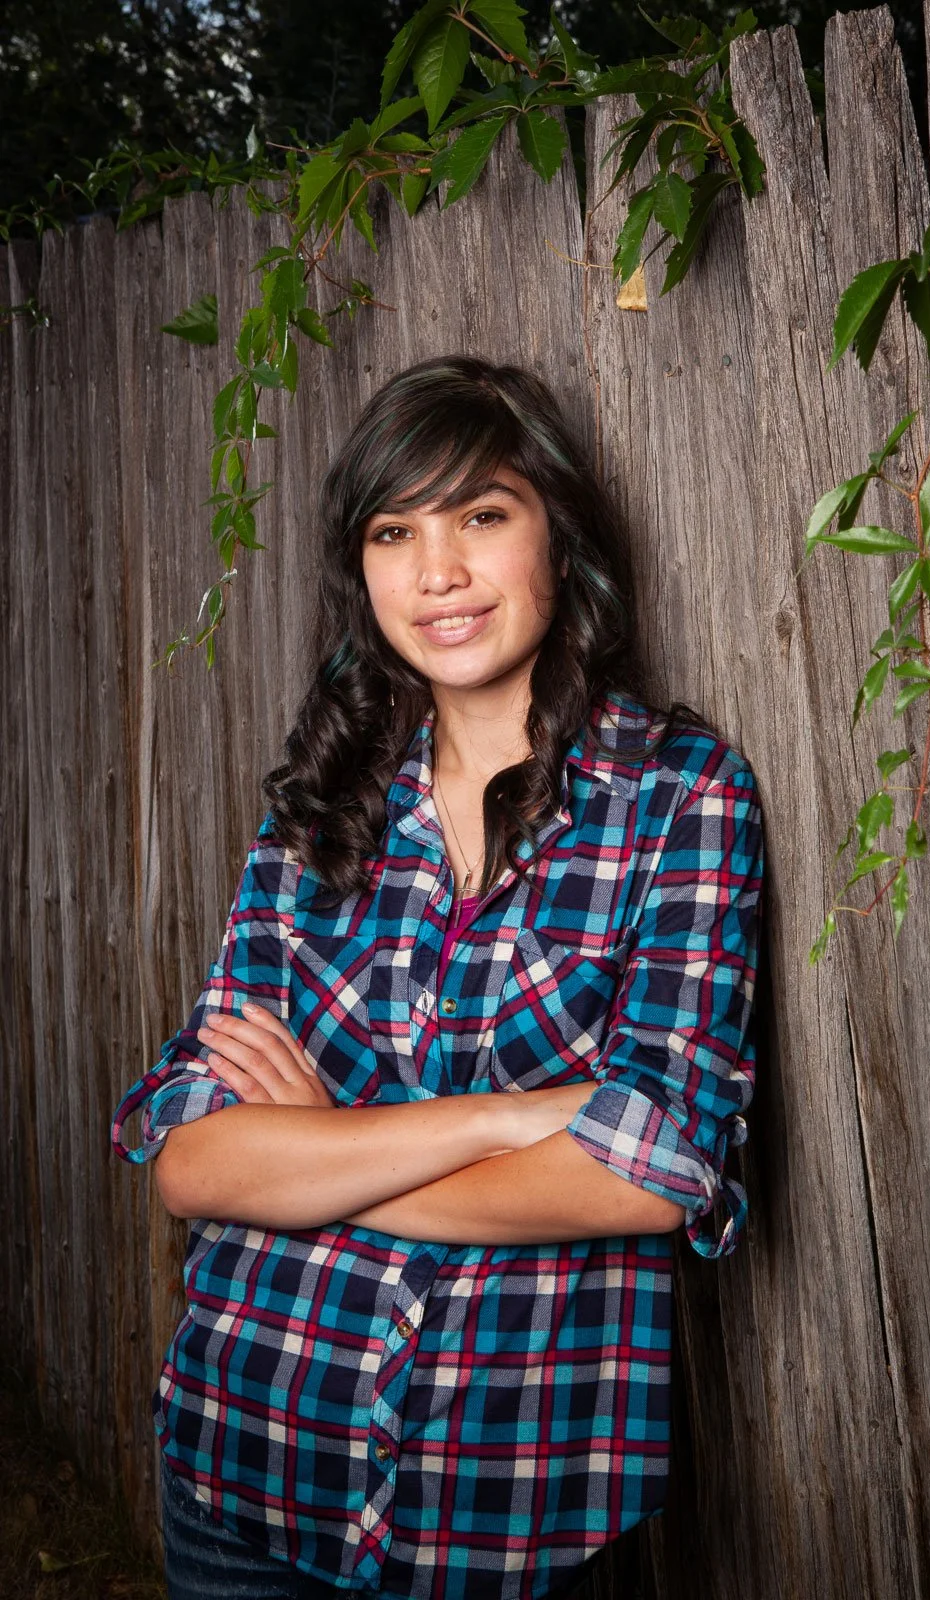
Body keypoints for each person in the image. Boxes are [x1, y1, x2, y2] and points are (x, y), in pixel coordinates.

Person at [111, 353, 764, 1600]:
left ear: (556, 535)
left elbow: (655, 1167)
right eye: (393, 530)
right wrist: (508, 1118)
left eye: (480, 515)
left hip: (508, 1499)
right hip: (246, 1458)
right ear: (359, 570)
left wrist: (315, 1158)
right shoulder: (320, 806)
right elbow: (193, 1159)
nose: (437, 572)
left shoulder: (677, 796)